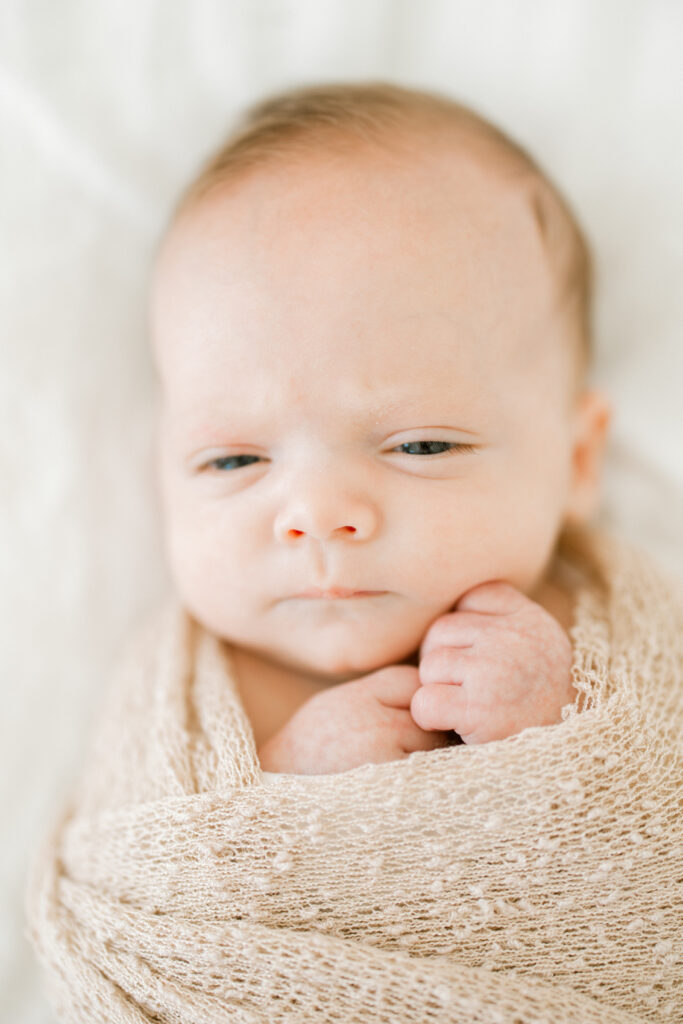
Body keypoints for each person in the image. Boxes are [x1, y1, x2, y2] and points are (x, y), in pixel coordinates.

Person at [148, 80, 611, 773]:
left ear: (576, 461)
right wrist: (288, 781)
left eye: (421, 446)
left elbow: (654, 803)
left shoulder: (604, 627)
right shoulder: (173, 697)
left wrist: (558, 723)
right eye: (232, 461)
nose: (316, 516)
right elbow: (133, 862)